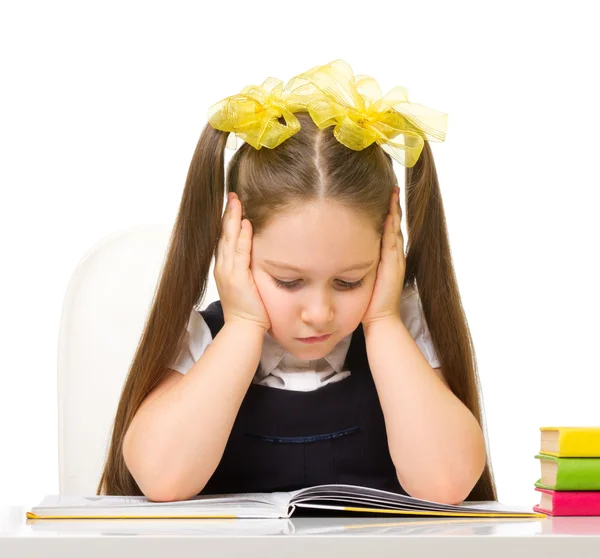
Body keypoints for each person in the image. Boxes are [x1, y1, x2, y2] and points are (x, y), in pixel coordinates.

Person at [97, 60, 497, 505]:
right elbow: (160, 478)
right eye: (288, 282)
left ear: (386, 254)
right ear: (235, 248)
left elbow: (447, 484)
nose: (319, 312)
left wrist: (383, 321)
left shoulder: (403, 335)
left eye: (349, 281)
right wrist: (244, 325)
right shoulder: (201, 342)